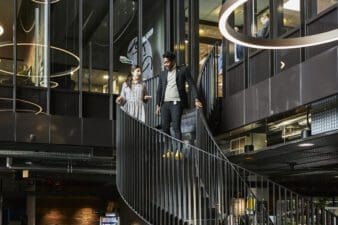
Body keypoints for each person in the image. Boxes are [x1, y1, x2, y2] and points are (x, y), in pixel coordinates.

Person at [156, 51, 202, 158]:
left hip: (176, 103)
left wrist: (196, 99)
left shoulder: (183, 70)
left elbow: (192, 84)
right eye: (164, 63)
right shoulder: (163, 74)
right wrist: (158, 105)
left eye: (167, 62)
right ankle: (169, 149)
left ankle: (178, 150)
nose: (165, 64)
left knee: (176, 127)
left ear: (173, 61)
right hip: (165, 104)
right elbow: (159, 90)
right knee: (165, 127)